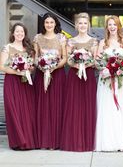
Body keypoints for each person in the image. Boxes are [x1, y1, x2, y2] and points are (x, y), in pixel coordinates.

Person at [60, 13, 98, 151]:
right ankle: (73, 141)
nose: (82, 25)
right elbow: (69, 60)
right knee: (73, 106)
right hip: (74, 75)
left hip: (88, 76)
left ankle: (87, 141)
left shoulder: (94, 41)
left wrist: (85, 65)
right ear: (76, 25)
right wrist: (77, 65)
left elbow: (95, 60)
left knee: (88, 106)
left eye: (85, 23)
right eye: (80, 23)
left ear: (88, 25)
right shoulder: (71, 41)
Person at [95, 15, 123, 151]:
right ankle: (106, 142)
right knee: (107, 108)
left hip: (121, 81)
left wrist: (119, 70)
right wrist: (106, 69)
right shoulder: (102, 43)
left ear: (118, 26)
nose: (112, 27)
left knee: (120, 109)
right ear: (107, 27)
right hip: (106, 81)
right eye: (109, 25)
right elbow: (97, 62)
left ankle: (120, 143)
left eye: (114, 24)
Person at [0, 22, 37, 150]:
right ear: (13, 33)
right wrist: (17, 71)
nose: (19, 34)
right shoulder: (7, 48)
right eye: (17, 31)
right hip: (11, 82)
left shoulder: (28, 49)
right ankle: (17, 141)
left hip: (26, 83)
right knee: (14, 110)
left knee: (26, 111)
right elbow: (2, 66)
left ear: (25, 33)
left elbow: (32, 67)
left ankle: (27, 141)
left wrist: (28, 69)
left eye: (22, 31)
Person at [34, 13, 67, 149]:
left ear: (55, 24)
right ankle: (43, 140)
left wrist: (53, 67)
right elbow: (35, 57)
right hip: (41, 75)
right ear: (43, 24)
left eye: (51, 22)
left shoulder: (61, 38)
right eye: (46, 22)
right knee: (42, 107)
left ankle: (55, 141)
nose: (49, 25)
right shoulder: (37, 38)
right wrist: (42, 66)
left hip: (57, 75)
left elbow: (64, 58)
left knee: (56, 106)